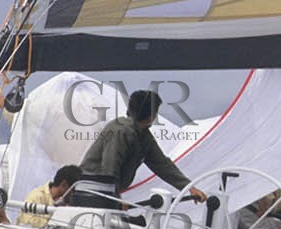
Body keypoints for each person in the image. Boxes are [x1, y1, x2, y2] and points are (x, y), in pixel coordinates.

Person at [76, 89, 207, 207]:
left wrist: (189, 187)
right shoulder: (121, 130)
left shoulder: (143, 135)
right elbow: (109, 169)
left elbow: (162, 164)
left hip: (105, 192)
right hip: (91, 190)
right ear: (151, 115)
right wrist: (116, 200)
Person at [18, 165, 81, 229]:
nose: (73, 193)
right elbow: (28, 223)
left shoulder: (63, 202)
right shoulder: (36, 197)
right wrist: (55, 212)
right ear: (63, 185)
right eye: (72, 189)